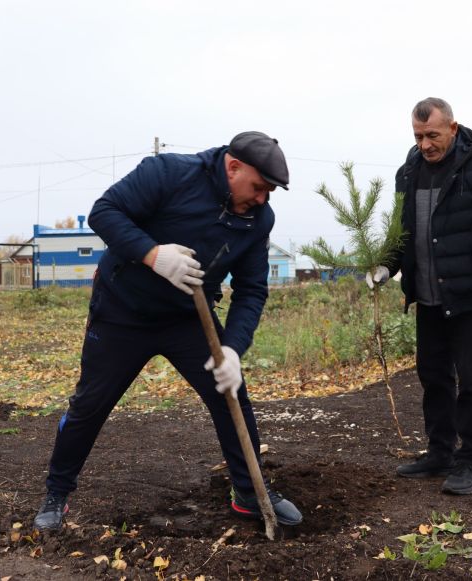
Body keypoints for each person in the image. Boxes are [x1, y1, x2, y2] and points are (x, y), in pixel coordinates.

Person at [33, 131, 302, 530]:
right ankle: (57, 492)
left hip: (189, 320)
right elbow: (104, 212)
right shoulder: (169, 173)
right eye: (259, 187)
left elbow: (252, 290)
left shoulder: (258, 219)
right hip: (123, 312)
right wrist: (152, 254)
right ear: (233, 167)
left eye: (270, 192)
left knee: (231, 395)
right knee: (90, 404)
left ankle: (248, 491)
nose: (263, 199)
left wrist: (231, 350)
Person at [367, 98, 472, 495]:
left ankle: (469, 461)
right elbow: (403, 231)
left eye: (432, 135)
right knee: (433, 377)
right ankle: (440, 452)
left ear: (453, 129)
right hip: (428, 298)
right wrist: (387, 265)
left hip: (471, 298)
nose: (425, 144)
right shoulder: (409, 173)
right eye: (418, 136)